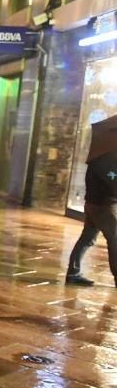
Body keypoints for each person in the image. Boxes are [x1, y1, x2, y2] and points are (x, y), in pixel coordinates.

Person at [66, 119, 117, 287]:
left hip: (94, 204)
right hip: (103, 206)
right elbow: (113, 183)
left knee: (87, 238)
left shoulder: (100, 159)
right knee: (115, 240)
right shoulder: (108, 161)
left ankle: (73, 273)